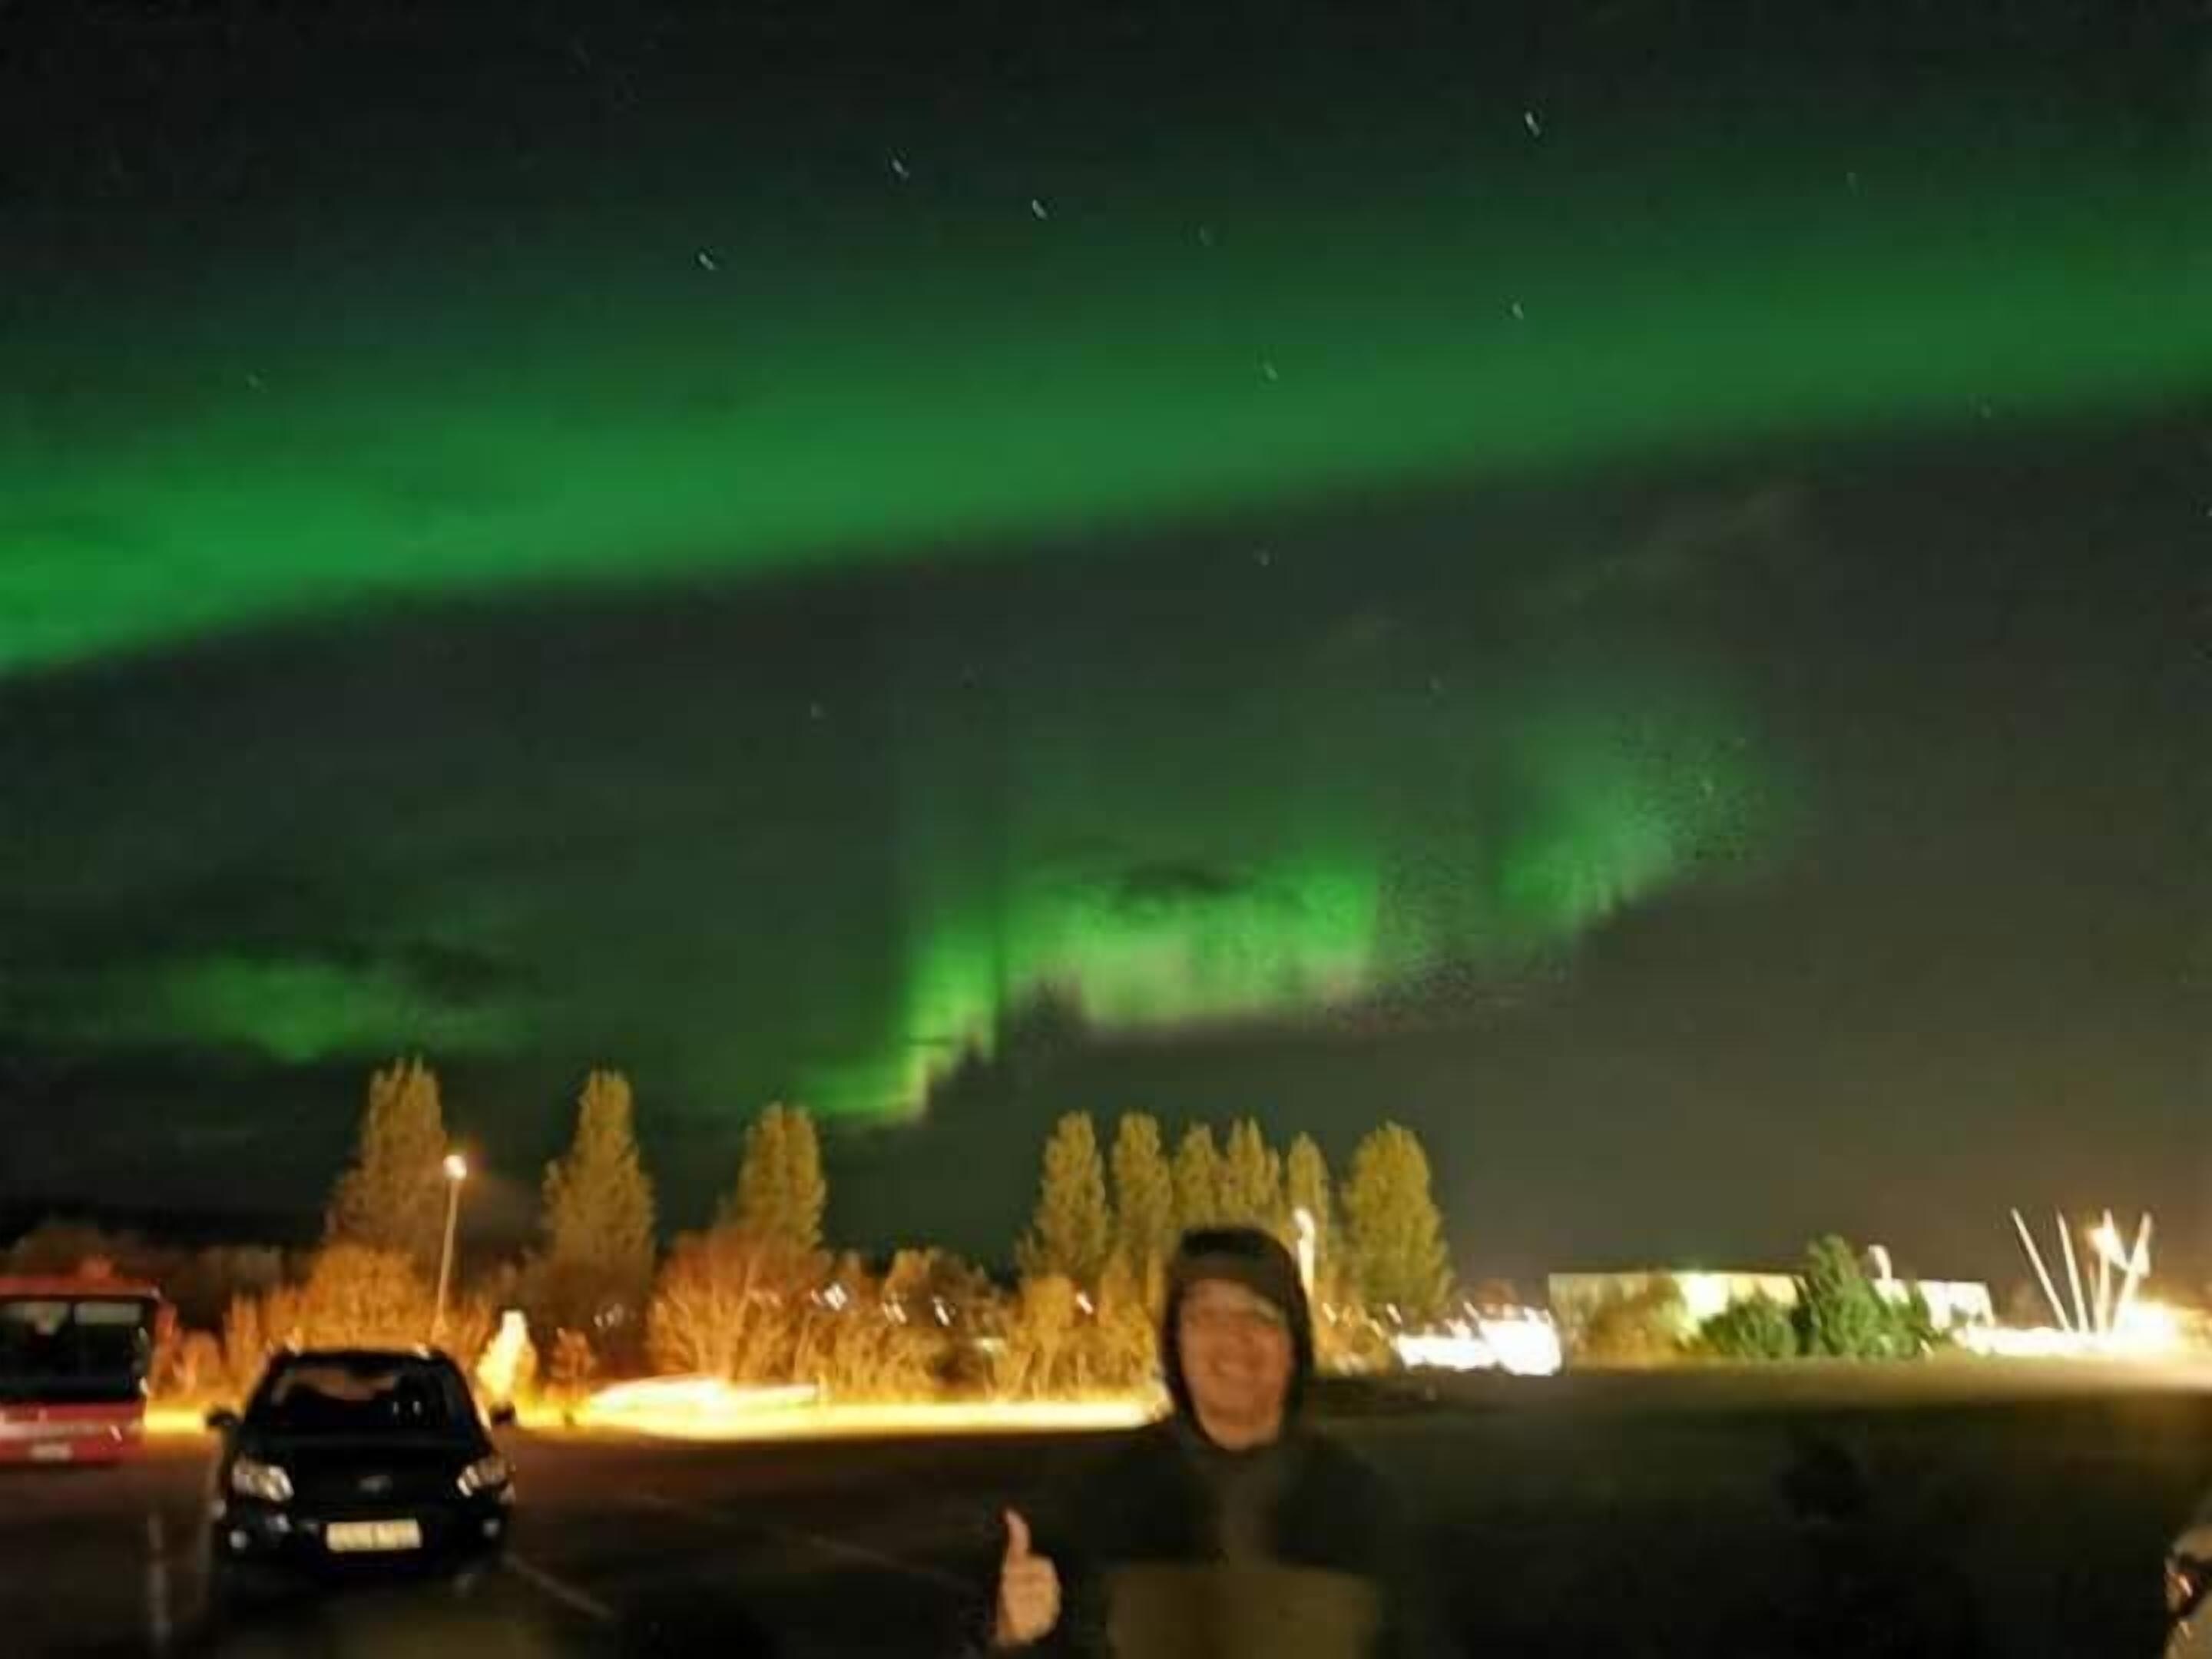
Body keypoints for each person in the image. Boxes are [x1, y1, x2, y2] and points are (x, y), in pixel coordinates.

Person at [991, 1225, 1448, 1658]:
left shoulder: (1363, 1506)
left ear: (1295, 1346)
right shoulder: (1097, 1496)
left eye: (1260, 1315)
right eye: (1206, 1315)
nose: (1233, 1338)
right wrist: (1014, 1637)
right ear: (1175, 1344)